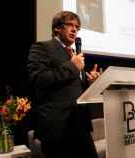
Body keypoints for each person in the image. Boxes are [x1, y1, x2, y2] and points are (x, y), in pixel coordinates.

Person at [27, 11, 101, 158]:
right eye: (70, 25)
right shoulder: (42, 47)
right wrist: (72, 67)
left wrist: (90, 82)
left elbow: (74, 87)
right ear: (57, 28)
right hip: (57, 128)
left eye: (77, 27)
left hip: (81, 125)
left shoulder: (74, 54)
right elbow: (38, 78)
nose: (75, 29)